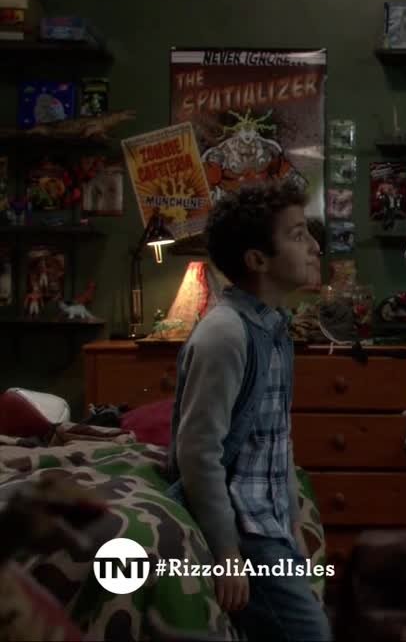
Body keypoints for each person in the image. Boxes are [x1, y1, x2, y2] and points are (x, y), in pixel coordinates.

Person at [166, 180, 330, 640]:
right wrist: (226, 553)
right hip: (243, 528)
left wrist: (292, 525)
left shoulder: (274, 328)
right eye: (297, 235)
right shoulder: (225, 333)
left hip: (270, 524)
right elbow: (198, 451)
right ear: (258, 260)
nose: (314, 246)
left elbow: (275, 439)